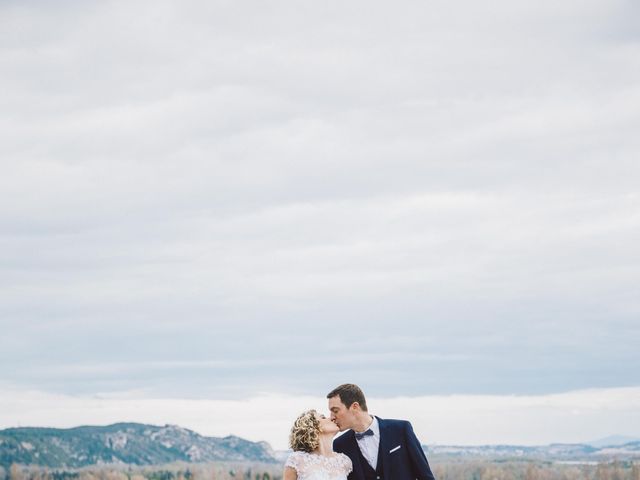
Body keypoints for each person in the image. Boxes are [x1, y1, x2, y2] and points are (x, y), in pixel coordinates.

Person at [327, 384, 436, 480]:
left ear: (355, 407)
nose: (332, 417)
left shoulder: (401, 430)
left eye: (335, 411)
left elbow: (425, 476)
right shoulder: (340, 444)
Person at [284, 409, 353, 480]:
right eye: (323, 417)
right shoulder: (297, 460)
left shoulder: (344, 462)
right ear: (312, 427)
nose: (332, 418)